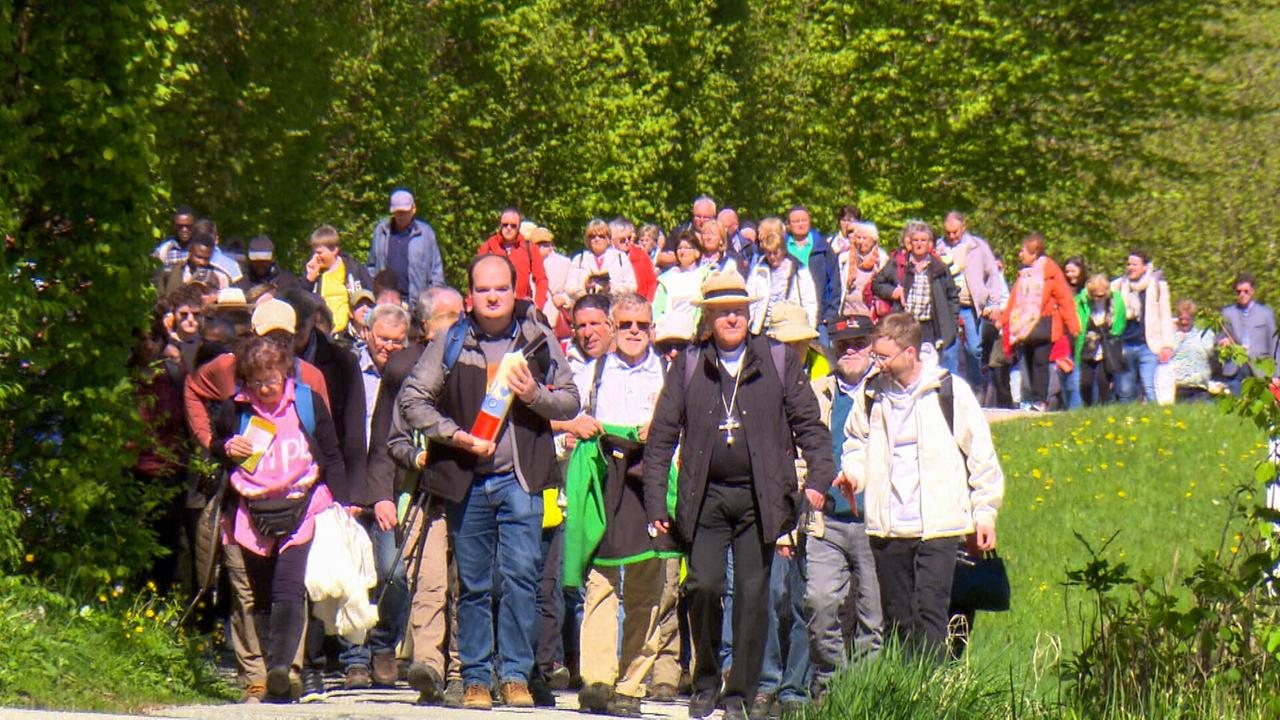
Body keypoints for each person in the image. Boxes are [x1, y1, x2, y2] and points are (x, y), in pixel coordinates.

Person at [642, 271, 835, 720]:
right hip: (705, 497)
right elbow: (661, 439)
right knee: (705, 587)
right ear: (708, 316)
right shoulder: (689, 364)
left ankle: (741, 693)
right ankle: (707, 679)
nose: (732, 317)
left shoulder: (777, 359)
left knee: (753, 596)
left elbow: (810, 425)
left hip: (760, 499)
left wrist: (817, 480)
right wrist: (656, 504)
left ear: (749, 314)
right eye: (723, 310)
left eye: (739, 309)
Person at [398, 254, 580, 710]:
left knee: (521, 579)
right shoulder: (451, 340)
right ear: (470, 296)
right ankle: (476, 678)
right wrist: (453, 436)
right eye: (484, 289)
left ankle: (515, 676)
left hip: (523, 481)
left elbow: (572, 401)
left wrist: (533, 395)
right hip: (469, 481)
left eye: (501, 288)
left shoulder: (537, 339)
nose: (493, 296)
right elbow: (413, 400)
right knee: (475, 585)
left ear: (514, 291)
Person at [838, 312, 1003, 659]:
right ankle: (909, 694)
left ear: (910, 353)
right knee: (899, 621)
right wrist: (853, 475)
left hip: (938, 528)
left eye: (884, 357)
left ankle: (931, 698)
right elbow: (856, 443)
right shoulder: (871, 396)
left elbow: (981, 455)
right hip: (888, 528)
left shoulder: (948, 391)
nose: (878, 363)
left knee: (931, 617)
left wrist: (985, 513)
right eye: (876, 356)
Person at [211, 334, 346, 703]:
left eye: (272, 379)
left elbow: (331, 452)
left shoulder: (306, 401)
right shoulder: (235, 410)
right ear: (245, 381)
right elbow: (214, 444)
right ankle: (270, 667)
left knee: (289, 588)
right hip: (250, 512)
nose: (267, 388)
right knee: (259, 596)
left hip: (302, 505)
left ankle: (281, 668)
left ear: (285, 373)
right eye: (257, 381)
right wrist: (225, 447)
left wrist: (344, 501)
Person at [563, 293, 677, 717]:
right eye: (625, 323)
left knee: (650, 584)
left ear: (652, 328)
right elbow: (563, 421)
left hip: (650, 478)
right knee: (601, 581)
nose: (633, 331)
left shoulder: (670, 372)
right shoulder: (591, 372)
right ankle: (597, 680)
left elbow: (683, 426)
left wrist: (662, 429)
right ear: (611, 327)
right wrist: (575, 429)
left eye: (641, 325)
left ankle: (631, 683)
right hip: (604, 478)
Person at [382, 286, 467, 706]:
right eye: (444, 317)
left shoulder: (475, 369)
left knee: (462, 583)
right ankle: (429, 666)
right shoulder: (409, 376)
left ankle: (459, 670)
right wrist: (417, 458)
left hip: (469, 493)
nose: (453, 325)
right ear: (426, 326)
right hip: (423, 496)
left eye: (458, 316)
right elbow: (394, 439)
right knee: (428, 581)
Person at [804, 316, 882, 702]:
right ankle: (830, 685)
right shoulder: (816, 392)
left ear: (872, 345)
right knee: (819, 606)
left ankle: (862, 696)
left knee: (873, 619)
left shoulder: (887, 390)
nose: (850, 349)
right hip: (827, 522)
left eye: (859, 341)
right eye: (842, 342)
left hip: (876, 522)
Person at [336, 303, 412, 690]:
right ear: (367, 334)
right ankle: (354, 658)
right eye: (383, 339)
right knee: (352, 577)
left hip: (392, 491)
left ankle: (384, 645)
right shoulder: (349, 371)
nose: (390, 347)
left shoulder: (411, 374)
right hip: (350, 488)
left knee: (392, 573)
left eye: (398, 341)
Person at [999, 233, 1080, 412]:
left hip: (1044, 323)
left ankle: (1040, 400)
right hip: (1024, 326)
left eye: (1023, 251)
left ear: (1034, 253)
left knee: (1040, 362)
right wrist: (1003, 320)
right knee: (1027, 362)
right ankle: (1031, 399)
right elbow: (1014, 299)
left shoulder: (1050, 273)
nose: (1020, 254)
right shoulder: (1023, 274)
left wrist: (1072, 324)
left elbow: (1065, 298)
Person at [872, 221, 960, 374]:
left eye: (923, 240)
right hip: (905, 324)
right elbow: (877, 284)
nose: (919, 244)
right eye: (916, 240)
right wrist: (893, 292)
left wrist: (951, 323)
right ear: (910, 243)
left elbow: (952, 296)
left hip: (930, 326)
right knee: (904, 363)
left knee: (930, 365)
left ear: (930, 243)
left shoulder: (939, 267)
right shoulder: (898, 264)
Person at [938, 212, 1004, 394]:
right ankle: (949, 390)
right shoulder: (939, 247)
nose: (951, 236)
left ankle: (976, 388)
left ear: (963, 227)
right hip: (949, 305)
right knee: (949, 349)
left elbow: (992, 275)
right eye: (948, 232)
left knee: (974, 349)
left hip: (971, 306)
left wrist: (994, 303)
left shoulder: (978, 246)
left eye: (955, 232)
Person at [1111, 250, 1174, 403]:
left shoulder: (1158, 287)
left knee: (1149, 386)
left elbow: (1165, 316)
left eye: (1135, 264)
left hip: (1149, 345)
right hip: (1125, 344)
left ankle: (1155, 420)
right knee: (1125, 389)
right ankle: (1126, 420)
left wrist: (1167, 345)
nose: (1130, 267)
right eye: (1128, 264)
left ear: (1145, 267)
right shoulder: (1118, 286)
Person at [370, 189, 446, 302]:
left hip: (416, 302)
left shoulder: (425, 233)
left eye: (404, 211)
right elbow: (372, 266)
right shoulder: (381, 231)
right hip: (387, 300)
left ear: (413, 209)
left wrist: (434, 299)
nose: (401, 216)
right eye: (398, 212)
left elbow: (436, 272)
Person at [746, 217, 818, 333]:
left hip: (790, 327)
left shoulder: (798, 268)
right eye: (769, 253)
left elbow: (809, 301)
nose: (772, 257)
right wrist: (751, 324)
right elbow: (751, 298)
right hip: (763, 328)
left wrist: (810, 327)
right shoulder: (758, 269)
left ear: (783, 249)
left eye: (776, 252)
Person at [305, 225, 373, 337]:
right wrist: (309, 280)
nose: (315, 257)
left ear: (334, 250)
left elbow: (370, 296)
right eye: (314, 253)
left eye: (320, 253)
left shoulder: (354, 269)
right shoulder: (314, 274)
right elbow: (302, 303)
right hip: (323, 335)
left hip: (350, 334)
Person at [1218, 272, 1279, 396]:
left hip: (1259, 369)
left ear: (1253, 291)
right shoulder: (1227, 313)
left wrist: (1277, 374)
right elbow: (1219, 337)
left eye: (1246, 291)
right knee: (1235, 408)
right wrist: (1223, 341)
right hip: (1235, 369)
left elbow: (1274, 345)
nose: (1242, 295)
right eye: (1238, 292)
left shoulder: (1265, 314)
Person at [478, 208, 549, 309]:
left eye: (513, 225)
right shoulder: (488, 247)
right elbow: (475, 277)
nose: (508, 228)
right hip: (494, 305)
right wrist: (471, 303)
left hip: (521, 307)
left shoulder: (530, 248)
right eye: (505, 224)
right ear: (500, 225)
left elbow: (541, 279)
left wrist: (538, 304)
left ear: (519, 227)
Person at [1075, 274, 1126, 406]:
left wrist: (1114, 333)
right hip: (1088, 345)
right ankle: (1087, 407)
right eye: (1096, 295)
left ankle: (1103, 408)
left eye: (1102, 295)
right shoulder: (1081, 301)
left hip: (1106, 345)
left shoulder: (1115, 300)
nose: (1099, 298)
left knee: (1103, 381)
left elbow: (1120, 320)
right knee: (1085, 383)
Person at [784, 205, 839, 326]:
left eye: (804, 220)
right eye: (796, 221)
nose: (800, 224)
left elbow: (834, 282)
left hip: (819, 317)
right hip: (788, 317)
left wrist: (830, 314)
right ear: (788, 225)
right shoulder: (781, 248)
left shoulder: (823, 247)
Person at [568, 219, 637, 299]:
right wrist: (585, 287)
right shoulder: (579, 259)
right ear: (587, 240)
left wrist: (610, 287)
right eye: (592, 236)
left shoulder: (620, 257)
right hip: (588, 306)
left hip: (612, 306)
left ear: (608, 239)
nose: (597, 239)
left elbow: (632, 287)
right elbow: (569, 288)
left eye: (601, 236)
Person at [653, 229, 706, 328]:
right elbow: (657, 309)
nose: (682, 251)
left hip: (696, 330)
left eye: (686, 248)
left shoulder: (705, 276)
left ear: (697, 252)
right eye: (679, 248)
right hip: (671, 329)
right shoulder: (667, 279)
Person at [837, 221, 890, 320]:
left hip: (871, 314)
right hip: (848, 312)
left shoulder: (882, 259)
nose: (861, 242)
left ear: (873, 240)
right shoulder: (844, 258)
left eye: (865, 238)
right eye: (858, 238)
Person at [1170, 300, 1218, 402]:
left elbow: (1209, 350)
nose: (1184, 322)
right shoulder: (1171, 335)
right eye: (1181, 318)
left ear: (1193, 318)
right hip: (1177, 387)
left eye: (1187, 319)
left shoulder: (1204, 335)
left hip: (1199, 387)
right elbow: (1167, 354)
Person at [157, 233, 232, 296]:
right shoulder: (170, 272)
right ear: (190, 253)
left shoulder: (220, 278)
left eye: (206, 258)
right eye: (198, 257)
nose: (202, 262)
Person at [531, 226, 573, 336]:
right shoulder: (526, 265)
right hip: (535, 320)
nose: (542, 247)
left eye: (546, 244)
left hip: (557, 317)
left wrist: (564, 299)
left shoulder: (565, 263)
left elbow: (573, 289)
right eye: (539, 244)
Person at [611, 217, 658, 302]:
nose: (627, 242)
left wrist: (648, 303)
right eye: (622, 240)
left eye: (629, 238)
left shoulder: (641, 255)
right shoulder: (608, 258)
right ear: (612, 240)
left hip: (639, 305)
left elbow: (652, 283)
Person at [152, 204, 197, 274]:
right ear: (174, 226)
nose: (184, 229)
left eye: (189, 226)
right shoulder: (163, 248)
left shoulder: (202, 248)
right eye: (180, 226)